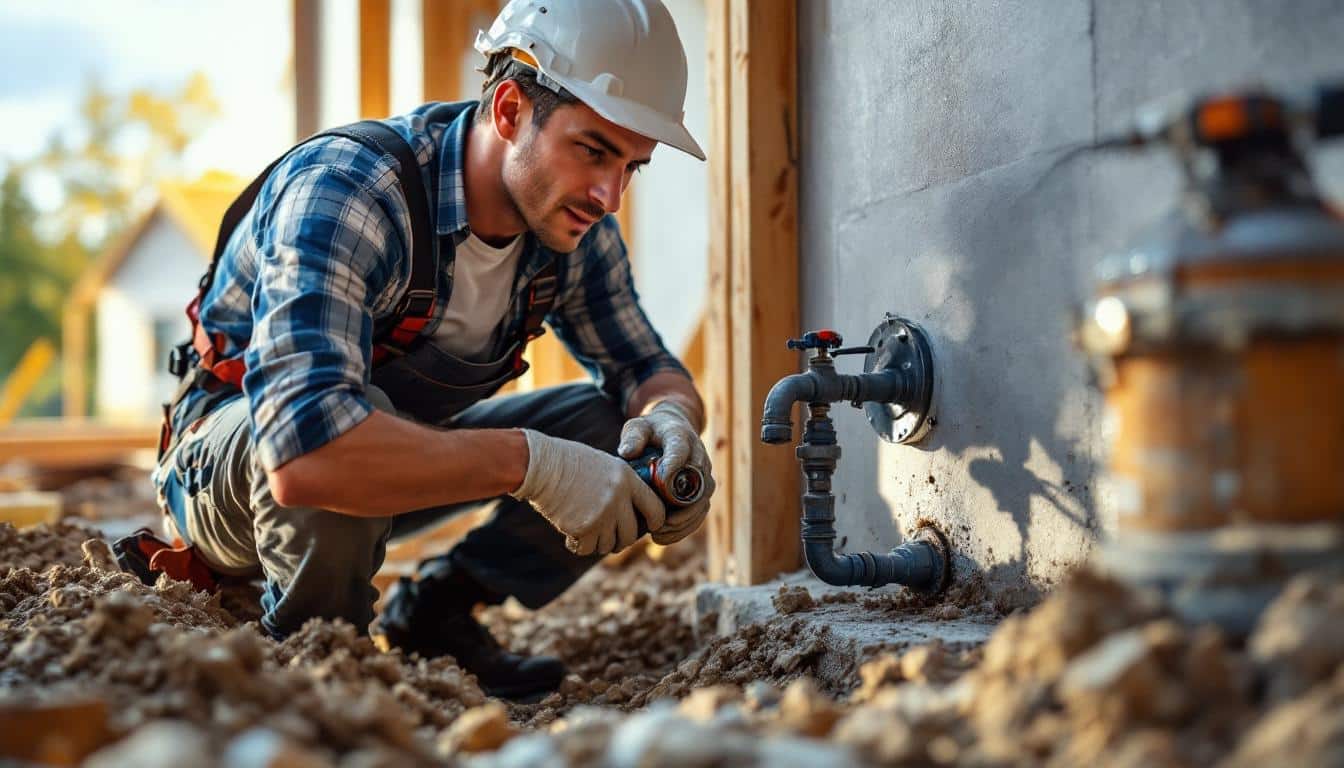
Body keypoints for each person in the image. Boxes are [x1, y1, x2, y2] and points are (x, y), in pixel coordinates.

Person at [149, 0, 714, 700]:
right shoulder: (352, 190)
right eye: (593, 150)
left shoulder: (573, 226)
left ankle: (436, 611)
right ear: (509, 109)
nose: (609, 196)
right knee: (340, 433)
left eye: (633, 166)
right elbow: (304, 452)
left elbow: (643, 367)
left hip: (386, 457)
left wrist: (672, 419)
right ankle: (320, 664)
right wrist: (534, 465)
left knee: (610, 429)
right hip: (234, 465)